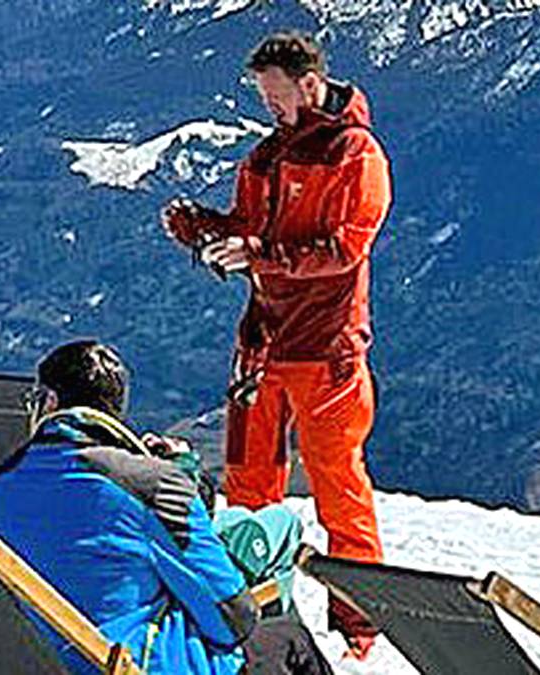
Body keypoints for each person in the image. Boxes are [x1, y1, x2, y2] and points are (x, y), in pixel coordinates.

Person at [161, 31, 391, 657]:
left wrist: (258, 253)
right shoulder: (264, 158)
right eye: (264, 96)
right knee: (247, 486)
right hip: (261, 345)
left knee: (337, 485)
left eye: (276, 95)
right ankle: (250, 623)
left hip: (327, 349)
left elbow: (346, 249)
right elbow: (250, 229)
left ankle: (358, 627)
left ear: (310, 84)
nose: (270, 107)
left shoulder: (355, 154)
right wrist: (206, 228)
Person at [0, 340, 330, 674]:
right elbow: (232, 620)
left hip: (32, 664)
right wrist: (178, 476)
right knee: (289, 640)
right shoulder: (147, 486)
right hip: (133, 664)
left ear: (48, 403)